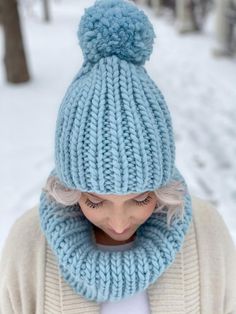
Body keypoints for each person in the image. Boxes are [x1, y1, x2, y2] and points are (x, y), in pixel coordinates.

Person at [0, 0, 236, 313]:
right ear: (71, 191)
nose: (120, 223)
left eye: (140, 200)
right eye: (95, 202)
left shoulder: (207, 236)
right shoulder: (28, 247)